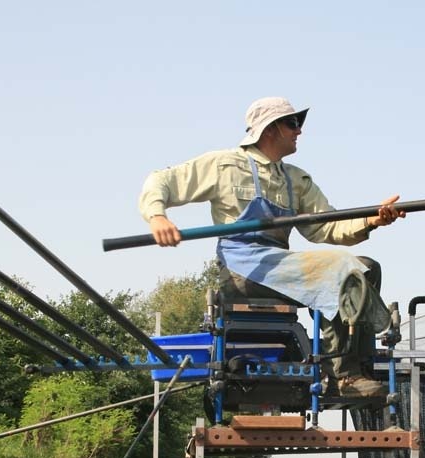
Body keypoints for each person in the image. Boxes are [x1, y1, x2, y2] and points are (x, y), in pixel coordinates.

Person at [138, 96, 405, 398]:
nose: (299, 131)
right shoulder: (224, 165)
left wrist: (372, 220)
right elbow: (162, 180)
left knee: (365, 267)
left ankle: (356, 365)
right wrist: (157, 216)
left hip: (279, 264)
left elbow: (326, 227)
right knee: (341, 270)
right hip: (243, 271)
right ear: (270, 129)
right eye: (293, 123)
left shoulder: (296, 179)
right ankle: (341, 377)